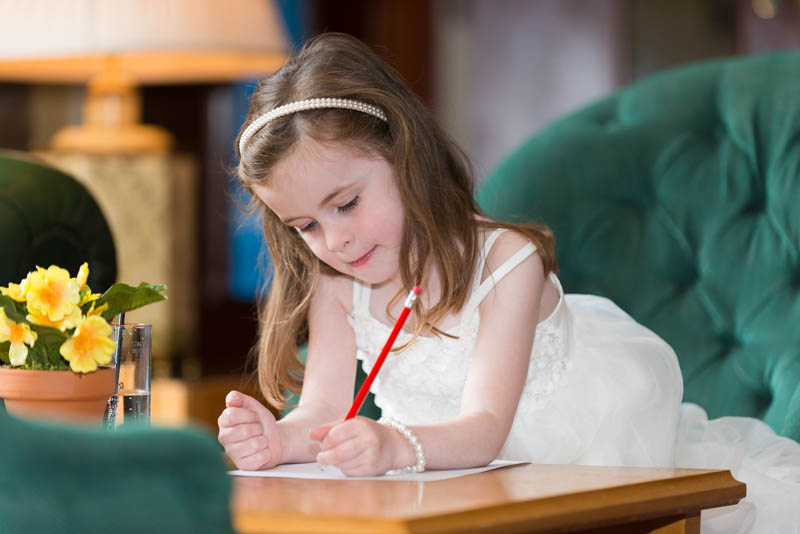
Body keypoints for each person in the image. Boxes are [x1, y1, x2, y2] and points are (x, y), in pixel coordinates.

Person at [218, 33, 799, 532]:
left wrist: (395, 444)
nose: (334, 241)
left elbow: (485, 431)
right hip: (444, 479)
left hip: (573, 456)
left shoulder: (506, 263)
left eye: (345, 203)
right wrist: (280, 441)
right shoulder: (335, 282)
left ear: (404, 153)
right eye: (305, 226)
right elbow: (321, 408)